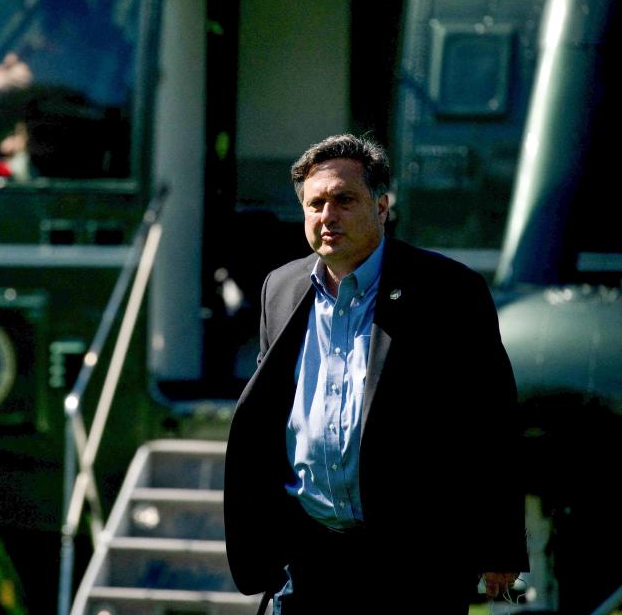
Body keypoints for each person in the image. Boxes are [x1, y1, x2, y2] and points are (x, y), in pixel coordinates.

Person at [223, 134, 527, 614]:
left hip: (413, 560)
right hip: (307, 553)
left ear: (382, 207)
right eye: (315, 203)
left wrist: (500, 545)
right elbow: (270, 413)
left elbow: (493, 422)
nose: (328, 216)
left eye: (345, 200)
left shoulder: (449, 291)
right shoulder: (278, 289)